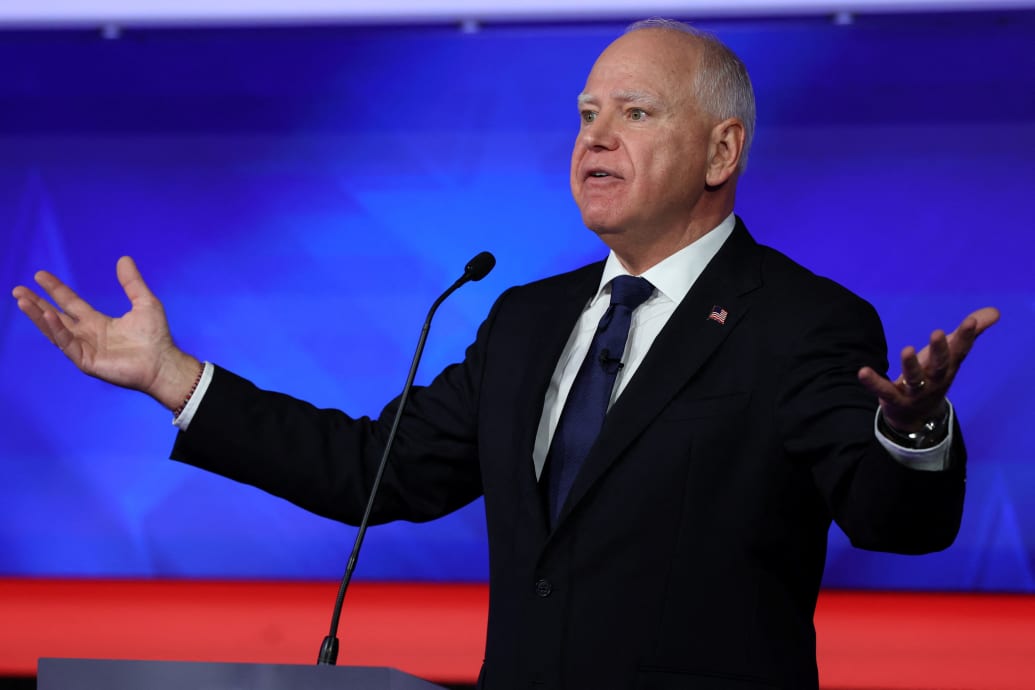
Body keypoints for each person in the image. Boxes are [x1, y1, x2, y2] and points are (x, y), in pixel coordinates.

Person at [12, 18, 998, 690]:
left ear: (721, 151)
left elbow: (892, 522)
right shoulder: (525, 319)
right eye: (584, 115)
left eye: (634, 114)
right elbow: (372, 470)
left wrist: (909, 432)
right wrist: (174, 380)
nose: (594, 138)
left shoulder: (802, 320)